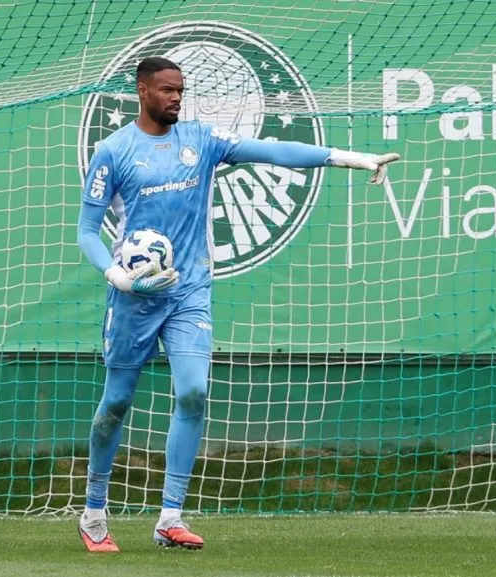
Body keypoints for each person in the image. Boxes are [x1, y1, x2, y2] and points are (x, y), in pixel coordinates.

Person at [76, 56, 399, 552]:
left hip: (188, 293)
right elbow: (86, 231)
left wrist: (351, 159)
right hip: (133, 300)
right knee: (116, 404)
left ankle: (170, 518)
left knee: (193, 393)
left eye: (181, 89)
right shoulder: (114, 152)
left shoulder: (201, 141)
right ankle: (94, 511)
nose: (176, 97)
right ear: (142, 91)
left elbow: (272, 150)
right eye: (167, 90)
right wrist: (117, 274)